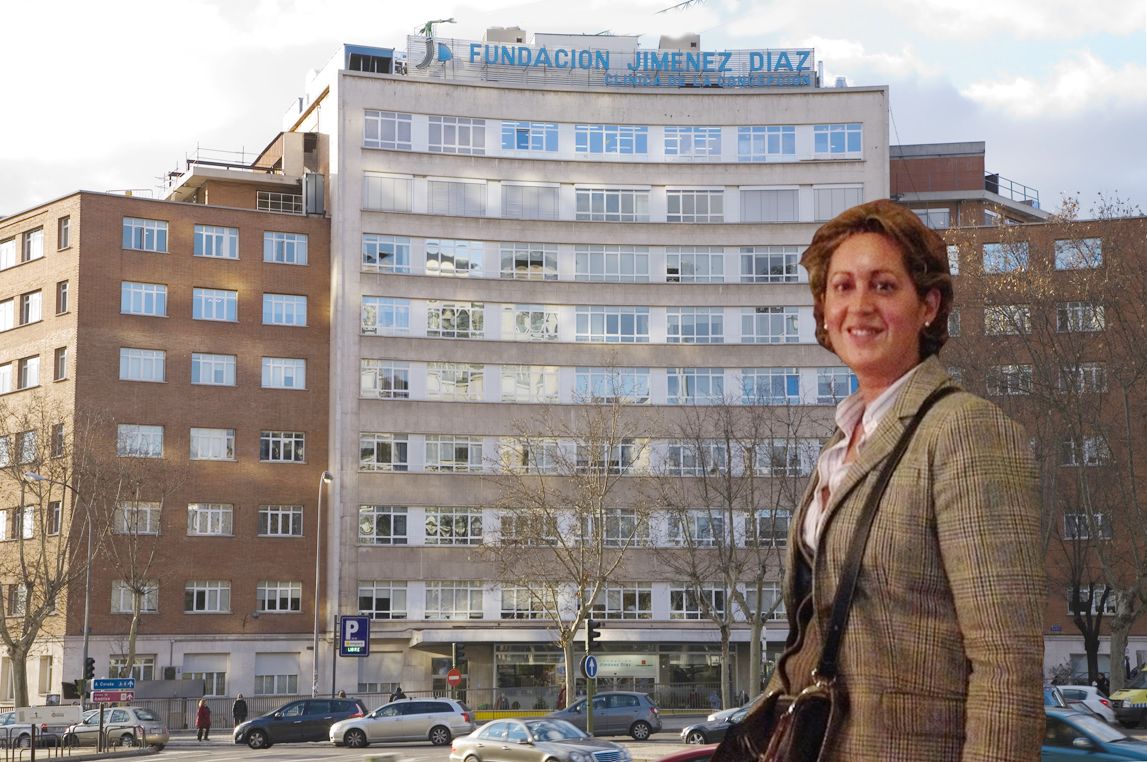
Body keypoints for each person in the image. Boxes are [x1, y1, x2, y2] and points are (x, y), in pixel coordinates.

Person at [759, 200, 1045, 760]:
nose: (858, 306)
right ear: (823, 309)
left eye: (883, 286)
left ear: (929, 306)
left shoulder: (964, 431)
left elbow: (1006, 663)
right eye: (841, 287)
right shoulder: (841, 444)